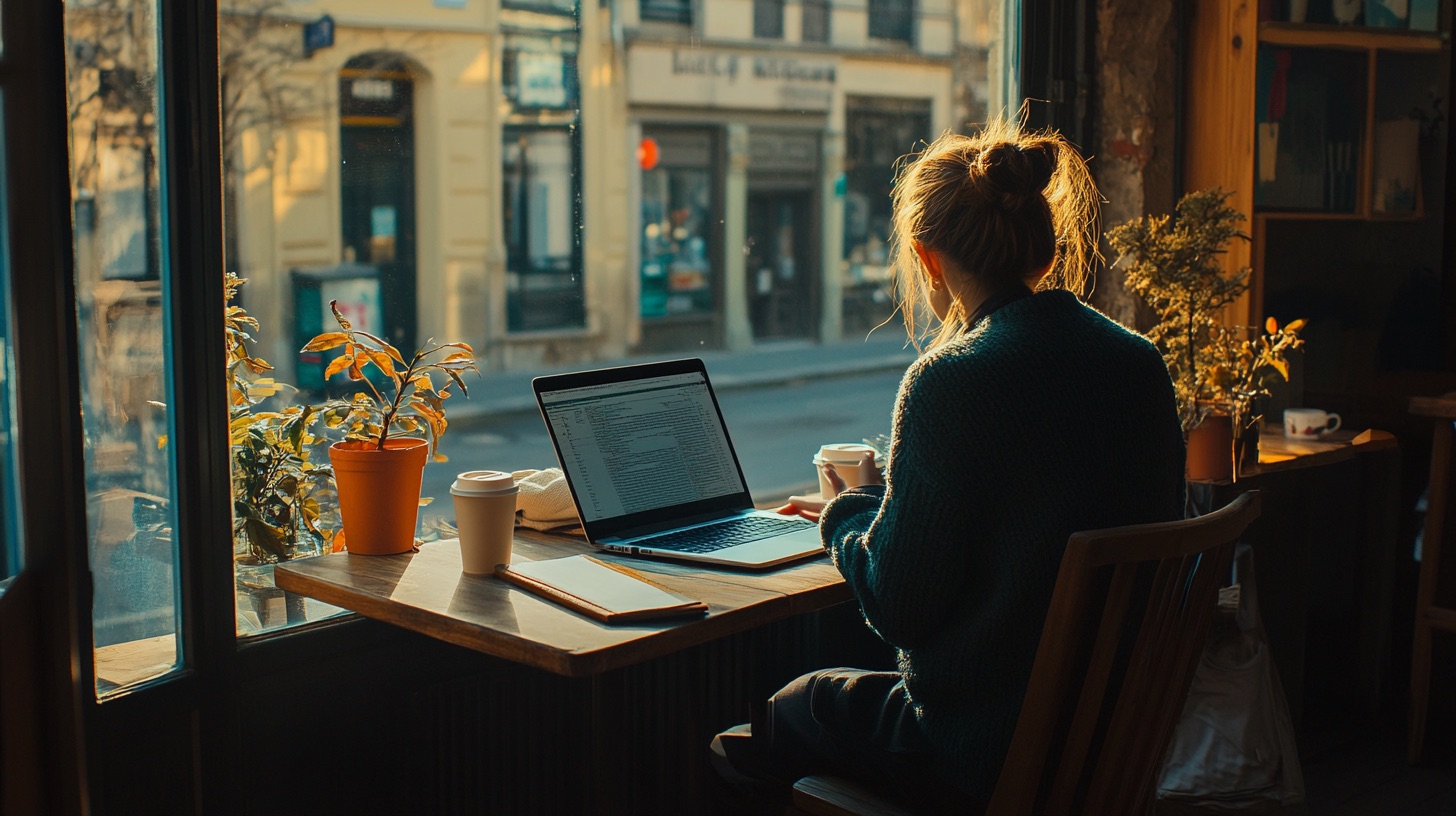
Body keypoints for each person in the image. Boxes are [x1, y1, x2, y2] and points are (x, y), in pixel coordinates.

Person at [709, 120, 1187, 811]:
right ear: (1046, 255)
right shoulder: (1137, 363)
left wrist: (847, 512)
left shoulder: (953, 380)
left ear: (928, 260)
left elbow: (900, 607)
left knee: (781, 715)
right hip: (1107, 735)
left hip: (983, 750)